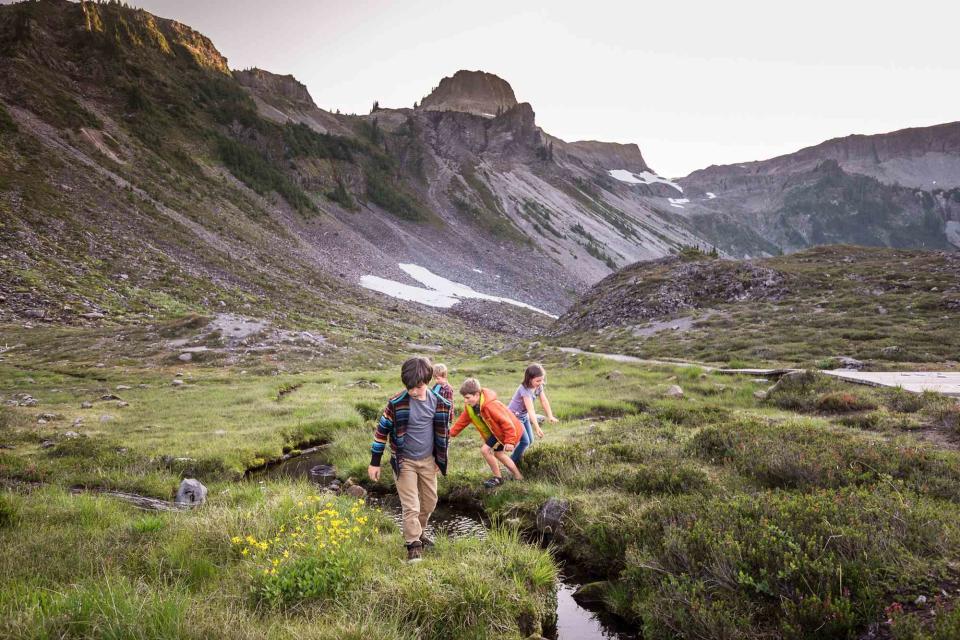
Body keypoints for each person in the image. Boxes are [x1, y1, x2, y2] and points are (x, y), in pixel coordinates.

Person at [368, 356, 451, 563]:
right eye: (410, 387)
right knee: (411, 506)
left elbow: (443, 435)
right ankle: (413, 544)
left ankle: (418, 532)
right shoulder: (396, 404)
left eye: (418, 387)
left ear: (428, 381)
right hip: (404, 462)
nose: (413, 391)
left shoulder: (441, 404)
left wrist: (441, 461)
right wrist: (375, 462)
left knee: (430, 503)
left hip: (428, 461)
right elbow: (381, 432)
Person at [450, 377, 523, 489]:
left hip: (505, 432)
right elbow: (462, 421)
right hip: (496, 432)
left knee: (485, 450)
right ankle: (519, 477)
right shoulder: (470, 407)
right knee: (499, 454)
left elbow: (507, 423)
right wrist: (450, 434)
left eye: (467, 397)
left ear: (477, 394)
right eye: (464, 398)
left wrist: (510, 441)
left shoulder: (490, 405)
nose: (465, 401)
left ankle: (498, 478)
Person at [508, 363, 559, 465]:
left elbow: (544, 401)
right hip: (514, 417)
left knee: (530, 441)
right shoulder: (524, 390)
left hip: (523, 416)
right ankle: (511, 463)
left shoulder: (538, 387)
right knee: (525, 442)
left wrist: (550, 416)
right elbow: (531, 410)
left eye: (542, 380)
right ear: (529, 379)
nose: (540, 382)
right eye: (538, 380)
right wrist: (537, 427)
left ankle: (516, 460)